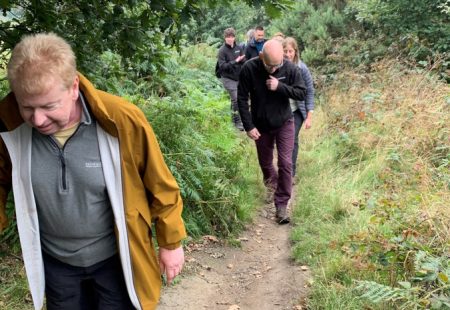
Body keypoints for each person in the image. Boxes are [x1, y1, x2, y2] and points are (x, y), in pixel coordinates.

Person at [0, 33, 186, 310]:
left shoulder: (120, 119)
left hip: (116, 259)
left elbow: (160, 184)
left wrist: (170, 243)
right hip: (56, 265)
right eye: (27, 107)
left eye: (49, 106)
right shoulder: (8, 125)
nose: (37, 120)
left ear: (74, 87)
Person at [237, 39, 306, 224]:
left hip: (284, 122)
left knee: (285, 163)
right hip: (261, 125)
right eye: (270, 66)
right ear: (261, 57)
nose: (275, 69)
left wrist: (280, 87)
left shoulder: (289, 68)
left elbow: (301, 92)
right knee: (266, 164)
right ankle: (274, 186)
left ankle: (282, 204)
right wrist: (249, 126)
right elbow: (241, 99)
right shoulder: (249, 69)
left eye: (278, 65)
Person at [283, 37, 315, 178]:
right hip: (281, 110)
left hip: (296, 111)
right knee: (283, 142)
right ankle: (284, 168)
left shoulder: (302, 69)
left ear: (295, 52)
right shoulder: (278, 67)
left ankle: (290, 173)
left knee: (292, 139)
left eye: (290, 51)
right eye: (285, 51)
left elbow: (309, 92)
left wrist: (309, 116)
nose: (288, 54)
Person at [217, 27, 245, 130]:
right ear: (225, 38)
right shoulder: (222, 51)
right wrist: (235, 61)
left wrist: (242, 60)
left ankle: (234, 119)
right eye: (228, 37)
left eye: (232, 36)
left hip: (238, 77)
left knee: (237, 99)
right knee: (236, 99)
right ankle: (237, 122)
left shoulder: (238, 48)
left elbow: (243, 61)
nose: (230, 39)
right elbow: (223, 67)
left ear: (234, 37)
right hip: (227, 78)